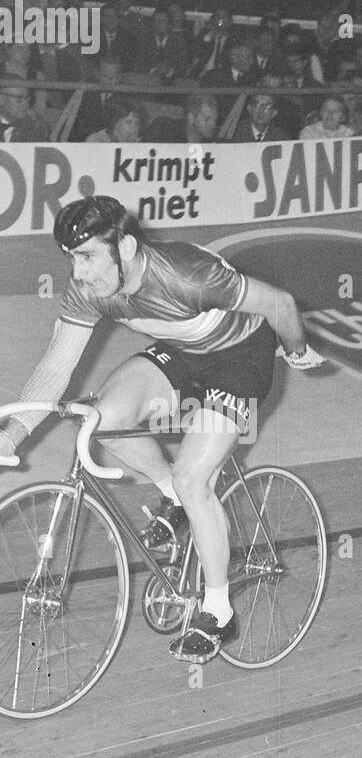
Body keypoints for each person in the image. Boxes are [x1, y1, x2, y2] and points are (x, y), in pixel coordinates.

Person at [0, 197, 324, 663]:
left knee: (198, 479)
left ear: (126, 246)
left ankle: (217, 611)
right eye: (71, 258)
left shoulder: (185, 273)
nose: (78, 271)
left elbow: (281, 303)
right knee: (101, 421)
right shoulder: (89, 290)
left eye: (87, 256)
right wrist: (11, 436)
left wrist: (296, 351)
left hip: (241, 357)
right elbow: (55, 369)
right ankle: (171, 493)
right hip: (184, 351)